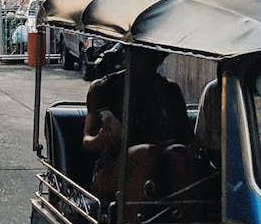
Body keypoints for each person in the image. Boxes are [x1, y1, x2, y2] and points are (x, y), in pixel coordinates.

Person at [82, 48, 195, 205]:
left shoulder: (170, 91)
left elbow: (187, 139)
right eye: (141, 53)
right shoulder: (104, 88)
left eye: (153, 55)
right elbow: (87, 141)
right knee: (143, 153)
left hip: (162, 169)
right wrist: (102, 138)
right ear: (128, 53)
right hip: (112, 170)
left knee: (178, 153)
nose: (147, 60)